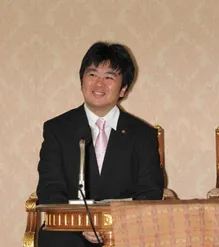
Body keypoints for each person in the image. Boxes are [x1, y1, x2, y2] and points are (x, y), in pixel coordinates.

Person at [36, 41, 164, 247]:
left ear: (123, 89)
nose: (98, 84)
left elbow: (150, 192)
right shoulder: (57, 129)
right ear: (82, 80)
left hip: (124, 231)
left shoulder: (143, 134)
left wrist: (110, 225)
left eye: (109, 77)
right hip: (70, 230)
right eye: (92, 74)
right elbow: (50, 189)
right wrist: (83, 224)